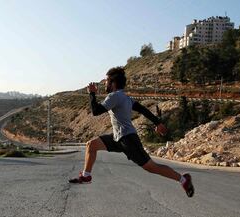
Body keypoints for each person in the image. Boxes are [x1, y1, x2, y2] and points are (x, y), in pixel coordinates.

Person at [69, 67, 194, 197]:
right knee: (91, 145)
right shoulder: (125, 97)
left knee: (152, 167)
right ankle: (86, 176)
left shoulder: (114, 96)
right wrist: (157, 122)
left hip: (128, 139)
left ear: (113, 83)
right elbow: (142, 109)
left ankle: (183, 180)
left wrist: (92, 93)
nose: (104, 83)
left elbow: (96, 111)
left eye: (106, 80)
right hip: (118, 137)